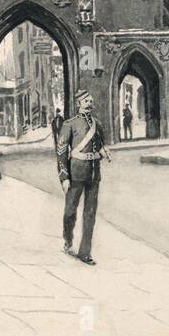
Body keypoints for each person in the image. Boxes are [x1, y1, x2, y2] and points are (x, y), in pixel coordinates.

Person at [56, 89, 110, 266]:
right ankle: (68, 238)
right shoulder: (69, 124)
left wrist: (103, 151)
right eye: (86, 101)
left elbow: (100, 143)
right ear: (79, 104)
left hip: (94, 173)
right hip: (76, 172)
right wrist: (64, 176)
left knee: (90, 213)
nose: (90, 103)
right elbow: (62, 152)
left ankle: (85, 252)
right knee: (70, 211)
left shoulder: (97, 124)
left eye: (91, 101)